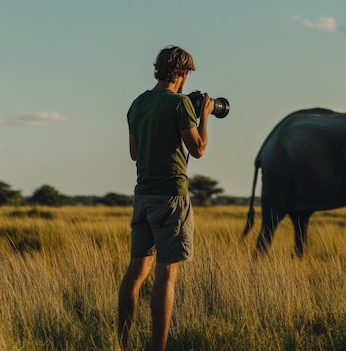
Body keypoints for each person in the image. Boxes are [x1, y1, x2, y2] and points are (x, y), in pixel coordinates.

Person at [118, 45, 214, 351]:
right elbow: (197, 149)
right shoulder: (179, 104)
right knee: (166, 276)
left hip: (142, 196)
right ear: (184, 74)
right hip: (172, 197)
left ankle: (123, 342)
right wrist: (205, 117)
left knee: (135, 273)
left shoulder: (137, 104)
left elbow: (134, 154)